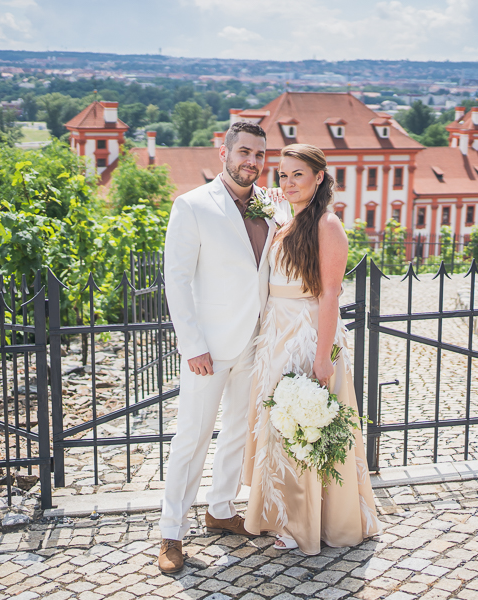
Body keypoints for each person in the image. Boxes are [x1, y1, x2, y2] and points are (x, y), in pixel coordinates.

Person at [242, 143, 380, 555]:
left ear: (319, 177)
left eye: (297, 174)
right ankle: (282, 514)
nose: (288, 182)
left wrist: (322, 358)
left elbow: (330, 295)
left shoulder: (327, 225)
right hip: (276, 334)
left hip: (306, 335)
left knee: (303, 425)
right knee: (282, 426)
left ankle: (307, 524)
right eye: (283, 175)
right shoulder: (288, 220)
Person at [158, 121, 276, 573]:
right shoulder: (192, 205)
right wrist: (192, 344)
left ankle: (222, 509)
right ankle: (171, 532)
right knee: (192, 437)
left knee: (238, 432)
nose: (252, 161)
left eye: (259, 154)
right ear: (224, 153)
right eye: (244, 151)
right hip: (208, 346)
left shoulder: (270, 206)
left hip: (256, 341)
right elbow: (177, 280)